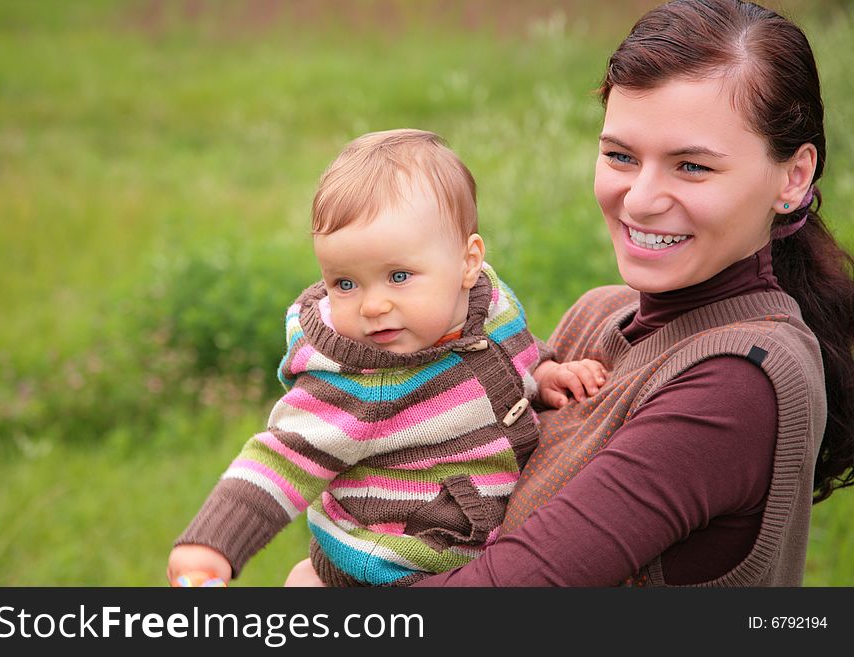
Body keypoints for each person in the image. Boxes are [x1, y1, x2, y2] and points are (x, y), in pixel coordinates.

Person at [286, 0, 854, 587]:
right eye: (620, 156)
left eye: (691, 166)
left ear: (793, 177)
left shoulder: (737, 382)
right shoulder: (598, 315)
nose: (639, 199)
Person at [167, 129, 606, 586]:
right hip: (393, 566)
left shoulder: (486, 297)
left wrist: (543, 371)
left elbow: (511, 344)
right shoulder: (359, 382)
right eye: (345, 284)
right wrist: (212, 543)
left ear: (467, 262)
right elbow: (282, 458)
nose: (372, 306)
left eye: (398, 276)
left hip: (468, 537)